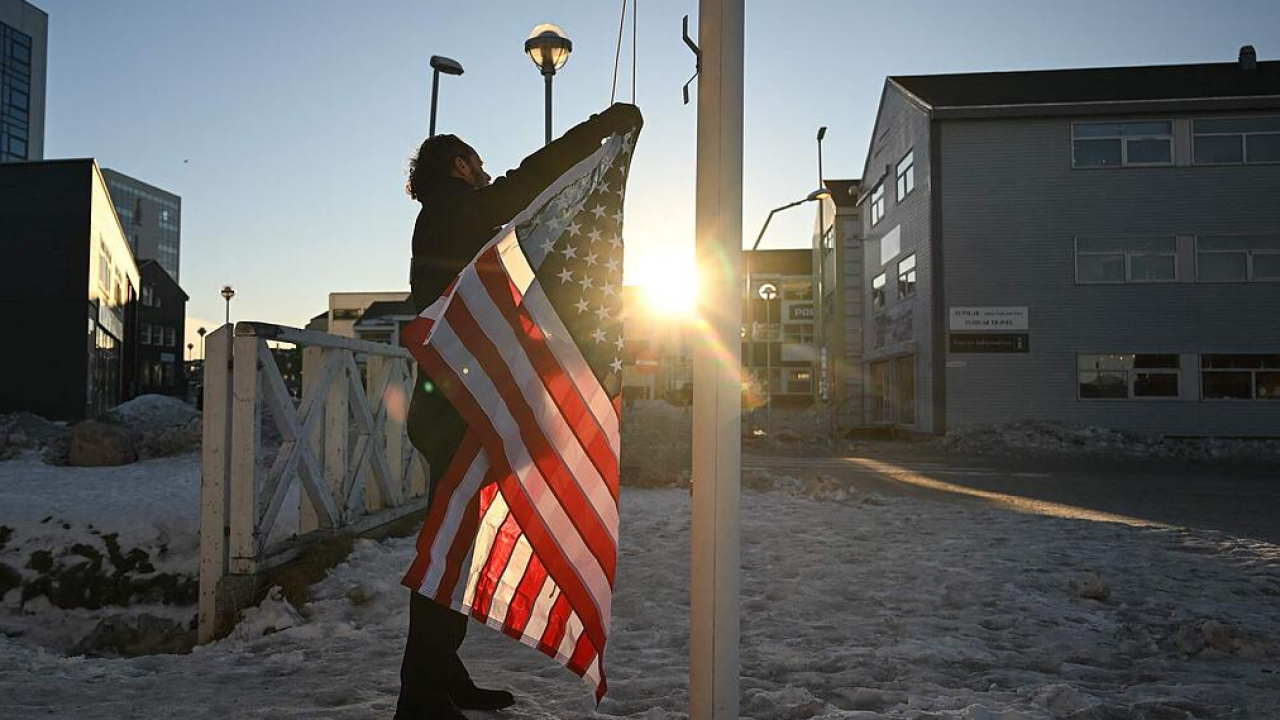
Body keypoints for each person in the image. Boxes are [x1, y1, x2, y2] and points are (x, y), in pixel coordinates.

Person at [396, 103, 641, 720]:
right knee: (449, 549)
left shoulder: (443, 219)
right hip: (461, 413)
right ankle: (420, 698)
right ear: (460, 165)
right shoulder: (453, 211)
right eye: (479, 166)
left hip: (457, 407)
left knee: (455, 546)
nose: (488, 174)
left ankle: (442, 677)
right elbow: (528, 183)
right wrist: (596, 131)